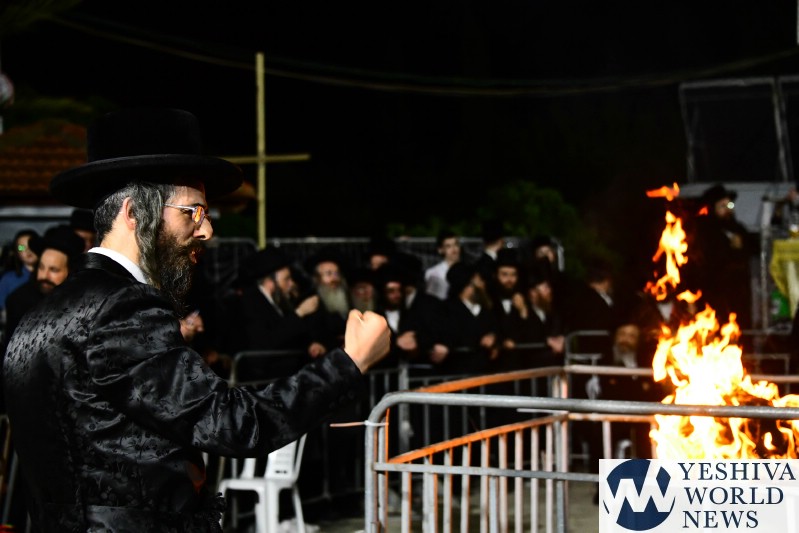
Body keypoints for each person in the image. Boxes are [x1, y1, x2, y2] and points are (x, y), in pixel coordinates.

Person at [2, 108, 390, 532]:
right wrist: (348, 363)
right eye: (194, 212)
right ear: (134, 214)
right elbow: (231, 422)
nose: (206, 231)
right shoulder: (123, 307)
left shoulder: (39, 314)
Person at [688, 183, 756, 329]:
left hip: (738, 290)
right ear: (713, 208)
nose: (727, 209)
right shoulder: (703, 230)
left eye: (729, 205)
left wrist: (742, 245)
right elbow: (705, 259)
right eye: (722, 206)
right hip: (714, 290)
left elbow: (753, 248)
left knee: (741, 326)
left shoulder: (737, 228)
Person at [0, 229, 39, 314]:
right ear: (16, 252)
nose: (27, 250)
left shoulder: (51, 276)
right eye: (21, 247)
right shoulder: (8, 279)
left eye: (31, 245)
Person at [424, 230, 461, 300]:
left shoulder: (468, 271)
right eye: (448, 246)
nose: (454, 249)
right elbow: (431, 300)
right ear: (440, 250)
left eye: (456, 244)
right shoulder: (433, 273)